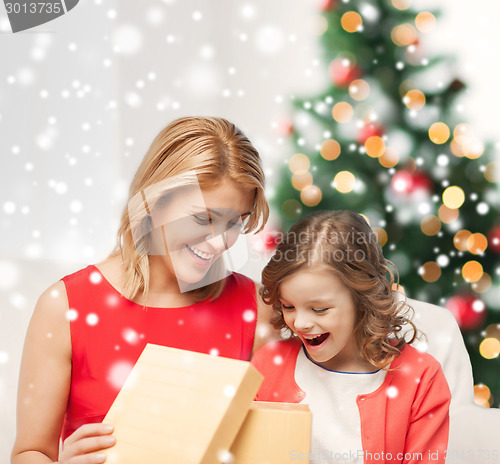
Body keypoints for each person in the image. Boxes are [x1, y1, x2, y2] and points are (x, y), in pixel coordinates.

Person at [11, 117, 277, 464]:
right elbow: (30, 452)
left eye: (234, 222)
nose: (218, 242)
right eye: (202, 218)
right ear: (154, 202)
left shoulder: (255, 307)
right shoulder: (64, 307)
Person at [251, 210, 451, 464]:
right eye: (288, 306)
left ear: (362, 300)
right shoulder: (267, 365)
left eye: (319, 309)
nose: (299, 323)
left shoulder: (420, 379)